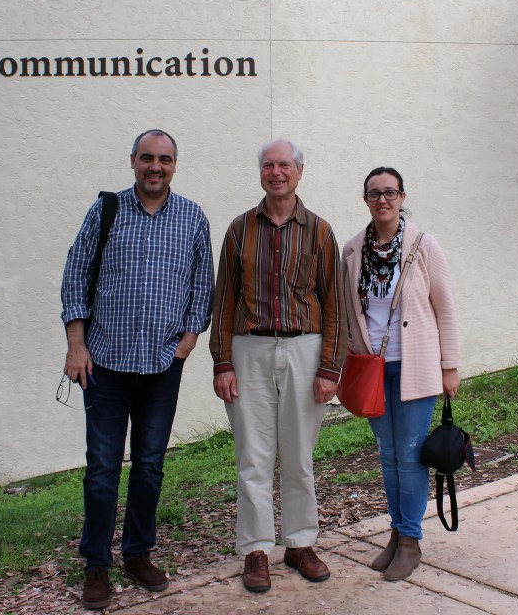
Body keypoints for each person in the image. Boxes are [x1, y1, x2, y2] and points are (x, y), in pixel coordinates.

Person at [61, 129, 214, 610]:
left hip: (162, 367)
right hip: (104, 364)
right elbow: (75, 276)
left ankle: (137, 553)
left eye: (164, 159)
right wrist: (75, 345)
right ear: (132, 161)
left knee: (150, 466)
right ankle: (96, 566)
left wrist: (188, 341)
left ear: (175, 165)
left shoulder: (192, 217)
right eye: (147, 158)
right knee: (103, 469)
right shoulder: (106, 211)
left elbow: (201, 285)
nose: (155, 166)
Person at [209, 138, 346, 593]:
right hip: (249, 351)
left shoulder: (320, 231)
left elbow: (334, 306)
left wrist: (329, 368)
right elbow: (224, 300)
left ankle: (300, 543)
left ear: (300, 171)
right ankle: (256, 550)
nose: (276, 172)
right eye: (268, 165)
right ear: (261, 173)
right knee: (253, 456)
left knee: (299, 456)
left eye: (284, 164)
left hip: (304, 351)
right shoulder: (239, 229)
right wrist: (222, 362)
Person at [339, 166, 461, 581]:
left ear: (403, 196)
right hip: (374, 370)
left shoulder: (424, 245)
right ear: (365, 200)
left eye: (390, 192)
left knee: (410, 454)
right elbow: (349, 313)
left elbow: (445, 308)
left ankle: (410, 541)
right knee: (388, 455)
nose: (382, 200)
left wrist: (451, 367)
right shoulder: (353, 251)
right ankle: (397, 531)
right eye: (374, 194)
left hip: (416, 367)